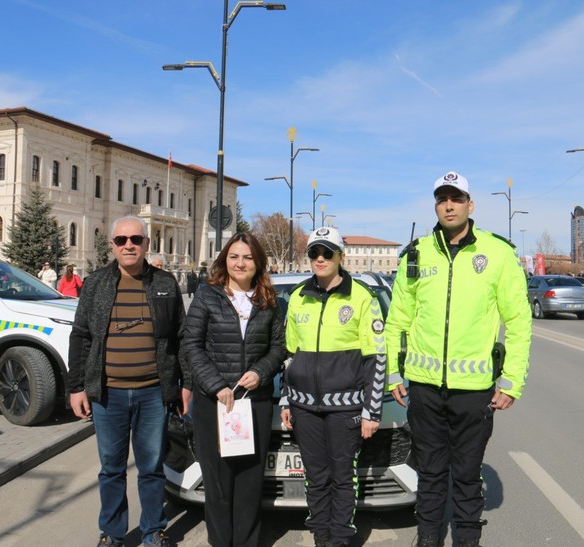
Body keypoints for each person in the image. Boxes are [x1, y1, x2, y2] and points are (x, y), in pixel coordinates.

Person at [385, 171, 532, 547]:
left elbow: (518, 320)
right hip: (424, 388)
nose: (448, 205)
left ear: (470, 205)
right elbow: (397, 319)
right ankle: (428, 540)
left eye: (456, 198)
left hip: (474, 392)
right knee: (431, 477)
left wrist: (512, 380)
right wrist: (393, 374)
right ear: (436, 205)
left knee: (466, 478)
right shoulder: (416, 253)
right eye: (441, 199)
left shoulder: (498, 253)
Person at [67, 215, 190, 547]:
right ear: (112, 246)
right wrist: (75, 387)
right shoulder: (95, 284)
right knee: (111, 470)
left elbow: (181, 337)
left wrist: (186, 384)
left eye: (136, 239)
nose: (129, 245)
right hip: (109, 395)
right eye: (121, 240)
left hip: (153, 393)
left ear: (147, 244)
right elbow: (80, 337)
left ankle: (153, 531)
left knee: (151, 469)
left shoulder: (165, 283)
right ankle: (113, 532)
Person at [280, 226, 386, 547]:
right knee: (316, 479)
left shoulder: (362, 297)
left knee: (342, 478)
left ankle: (338, 540)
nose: (321, 258)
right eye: (314, 252)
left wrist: (372, 410)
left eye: (328, 252)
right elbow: (289, 356)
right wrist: (286, 401)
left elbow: (377, 358)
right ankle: (321, 537)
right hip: (304, 408)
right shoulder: (298, 297)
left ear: (341, 256)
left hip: (347, 409)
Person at [182, 232, 286, 547]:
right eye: (234, 256)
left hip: (254, 403)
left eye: (248, 257)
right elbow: (191, 344)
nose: (240, 263)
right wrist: (216, 385)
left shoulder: (269, 300)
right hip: (214, 405)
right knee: (219, 483)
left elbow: (279, 347)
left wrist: (260, 371)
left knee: (249, 483)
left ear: (258, 263)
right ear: (225, 260)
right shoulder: (207, 295)